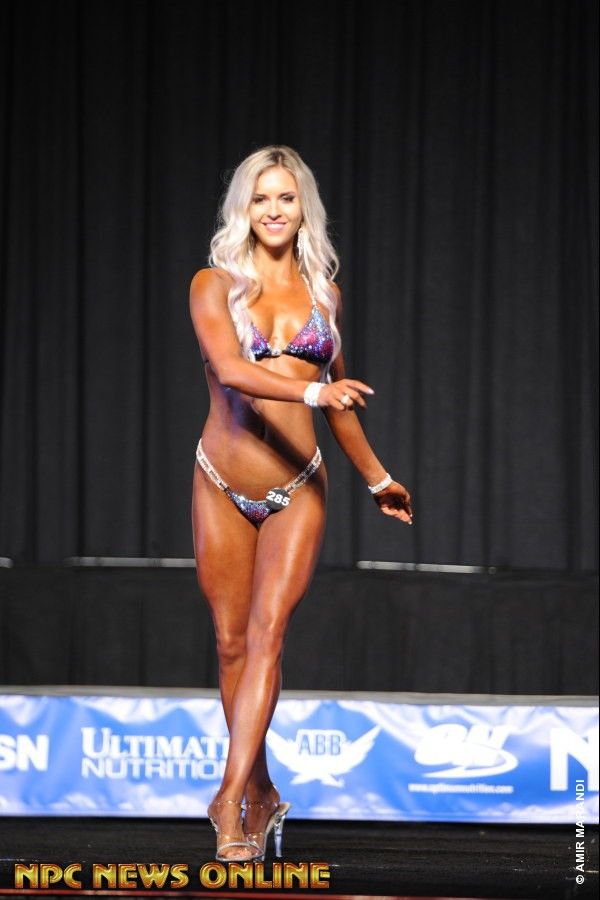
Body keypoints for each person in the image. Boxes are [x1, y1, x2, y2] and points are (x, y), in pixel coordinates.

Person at [190, 146, 412, 862]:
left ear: (302, 207)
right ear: (244, 209)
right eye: (261, 198)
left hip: (298, 486)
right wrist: (313, 390)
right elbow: (231, 371)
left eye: (286, 197)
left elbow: (340, 403)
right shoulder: (213, 284)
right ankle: (261, 792)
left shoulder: (326, 297)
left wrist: (377, 478)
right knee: (230, 643)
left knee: (267, 635)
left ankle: (228, 800)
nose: (274, 210)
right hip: (221, 483)